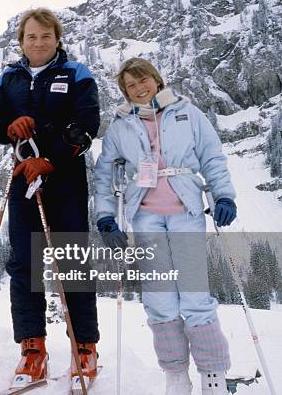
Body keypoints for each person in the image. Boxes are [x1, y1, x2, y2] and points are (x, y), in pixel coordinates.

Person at [94, 57, 236, 395]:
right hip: (145, 215)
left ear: (156, 80)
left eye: (143, 80)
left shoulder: (188, 113)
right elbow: (105, 175)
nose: (139, 88)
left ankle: (212, 373)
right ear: (125, 92)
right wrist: (105, 217)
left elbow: (212, 157)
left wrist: (224, 196)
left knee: (194, 296)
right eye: (130, 85)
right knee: (159, 300)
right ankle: (175, 374)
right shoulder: (120, 126)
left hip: (185, 210)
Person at [0, 7, 100, 388]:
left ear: (57, 39)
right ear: (21, 41)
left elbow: (87, 126)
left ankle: (85, 347)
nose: (38, 42)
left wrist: (52, 159)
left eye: (46, 36)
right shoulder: (9, 78)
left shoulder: (77, 73)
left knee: (72, 261)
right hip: (22, 177)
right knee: (25, 264)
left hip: (63, 178)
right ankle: (33, 349)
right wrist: (8, 128)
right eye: (31, 36)